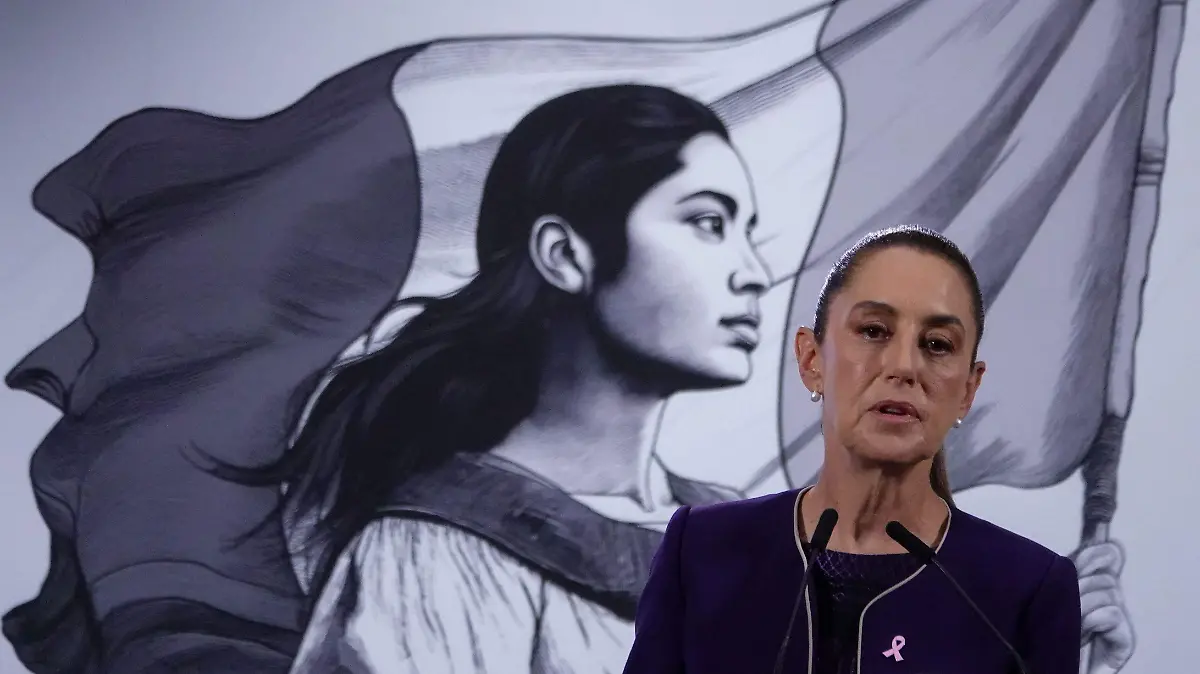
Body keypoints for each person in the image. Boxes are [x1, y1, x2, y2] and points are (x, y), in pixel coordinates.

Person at [238, 84, 770, 673]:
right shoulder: (432, 557)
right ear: (564, 255)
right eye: (707, 222)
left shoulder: (744, 532)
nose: (754, 273)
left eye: (747, 231)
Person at [622, 225, 1082, 674]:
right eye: (874, 331)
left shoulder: (1027, 593)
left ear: (967, 389)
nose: (904, 366)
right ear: (811, 360)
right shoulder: (701, 551)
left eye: (937, 344)